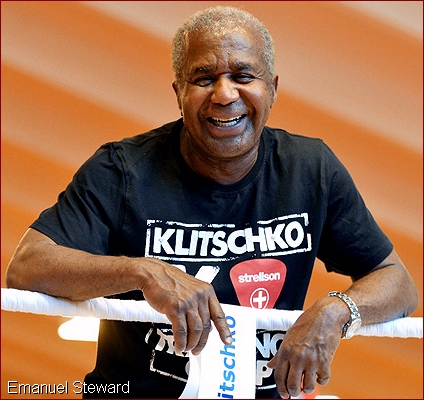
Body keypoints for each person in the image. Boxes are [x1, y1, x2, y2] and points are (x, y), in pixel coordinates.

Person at [5, 5, 418, 399]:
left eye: (243, 75)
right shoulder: (122, 170)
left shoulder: (310, 169)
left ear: (272, 88)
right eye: (203, 78)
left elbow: (396, 282)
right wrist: (144, 272)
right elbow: (27, 268)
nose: (224, 94)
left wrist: (337, 311)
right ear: (178, 93)